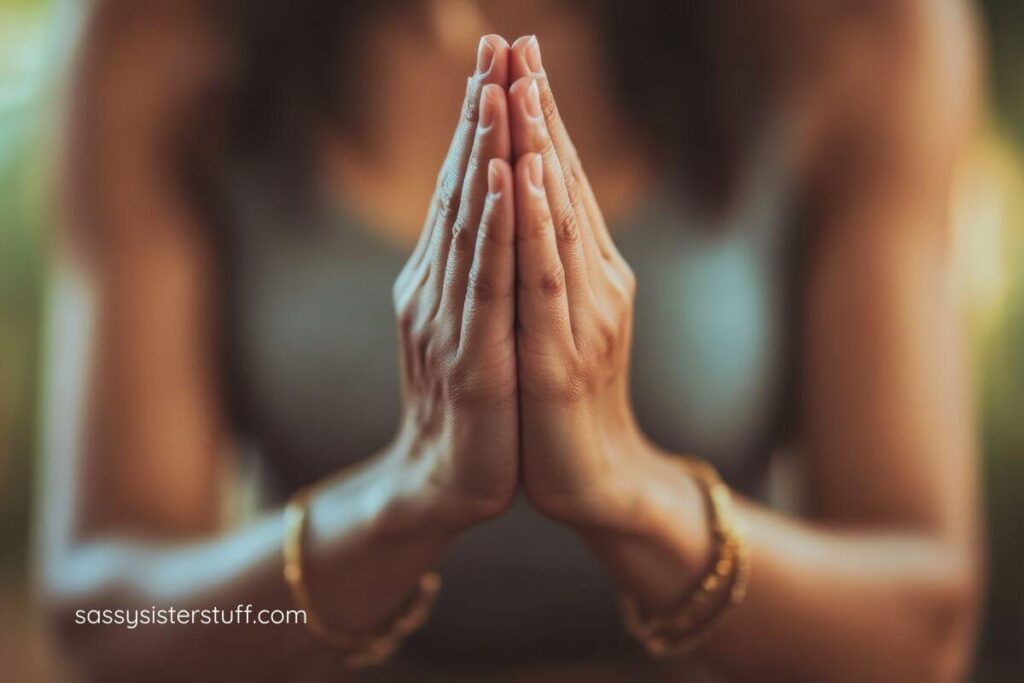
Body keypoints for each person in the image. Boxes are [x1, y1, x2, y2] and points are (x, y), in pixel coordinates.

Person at [38, 0, 983, 680]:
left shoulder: (862, 30)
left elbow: (918, 628)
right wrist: (401, 506)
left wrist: (633, 496)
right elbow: (104, 613)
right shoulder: (156, 32)